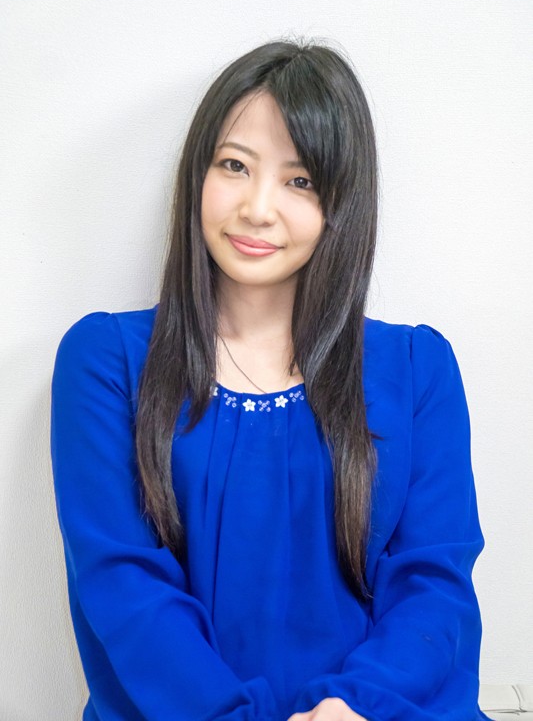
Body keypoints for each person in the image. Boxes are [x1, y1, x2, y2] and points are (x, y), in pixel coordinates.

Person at [50, 38, 491, 721]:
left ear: (341, 203)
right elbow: (121, 586)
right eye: (234, 165)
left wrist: (350, 707)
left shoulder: (416, 368)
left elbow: (433, 583)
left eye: (300, 180)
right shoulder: (106, 360)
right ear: (197, 174)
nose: (258, 208)